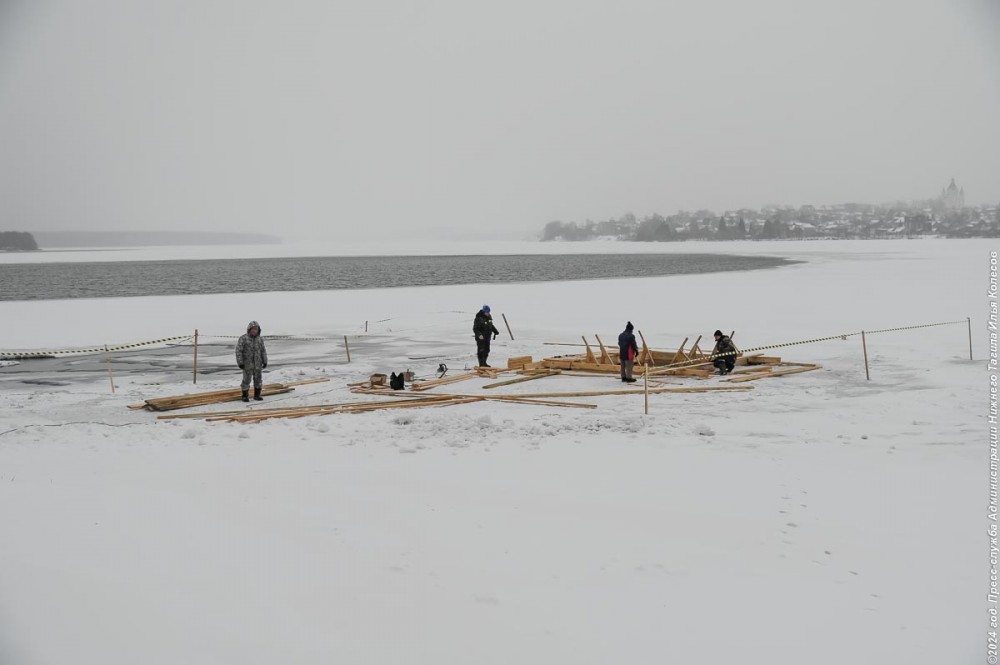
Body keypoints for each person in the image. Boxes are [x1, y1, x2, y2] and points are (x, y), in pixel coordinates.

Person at [236, 320, 268, 401]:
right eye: (252, 329)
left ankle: (257, 395)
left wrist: (265, 361)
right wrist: (240, 362)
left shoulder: (260, 339)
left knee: (258, 380)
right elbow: (238, 351)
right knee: (246, 380)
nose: (254, 330)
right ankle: (245, 396)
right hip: (247, 364)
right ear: (249, 329)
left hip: (258, 364)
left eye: (256, 329)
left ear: (258, 330)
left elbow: (263, 351)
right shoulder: (243, 338)